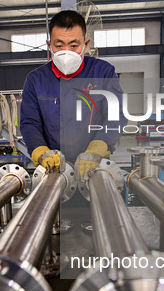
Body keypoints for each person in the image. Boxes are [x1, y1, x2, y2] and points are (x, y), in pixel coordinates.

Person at [20, 10, 126, 181]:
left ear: (86, 43)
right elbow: (29, 122)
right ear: (49, 45)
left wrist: (98, 147)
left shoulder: (103, 72)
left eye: (74, 46)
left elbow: (116, 115)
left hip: (95, 167)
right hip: (53, 170)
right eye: (59, 46)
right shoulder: (36, 80)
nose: (66, 52)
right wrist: (40, 150)